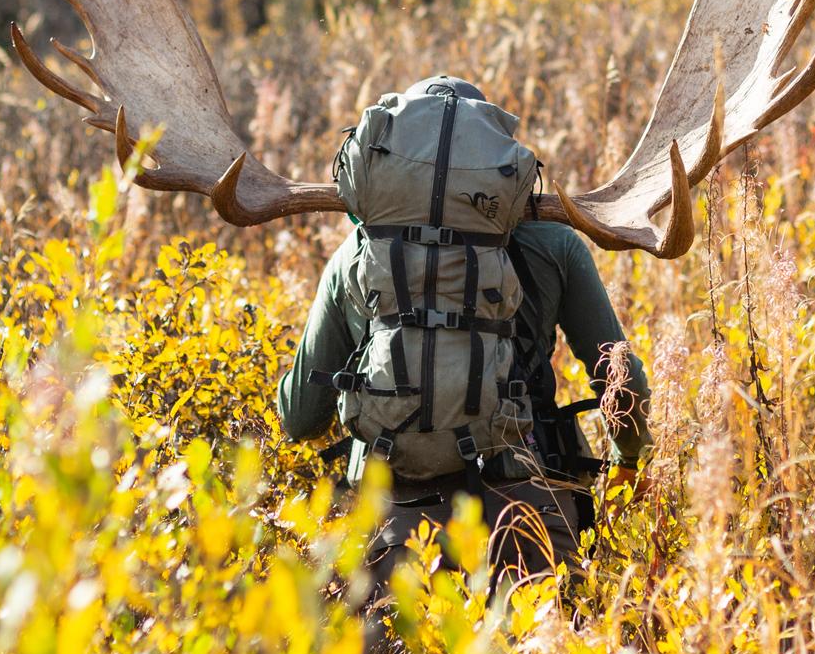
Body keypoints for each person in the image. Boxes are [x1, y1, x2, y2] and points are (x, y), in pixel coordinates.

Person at [277, 76, 653, 598]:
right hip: (525, 514)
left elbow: (300, 418)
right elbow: (622, 382)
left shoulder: (355, 258)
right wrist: (627, 462)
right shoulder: (556, 245)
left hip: (391, 526)